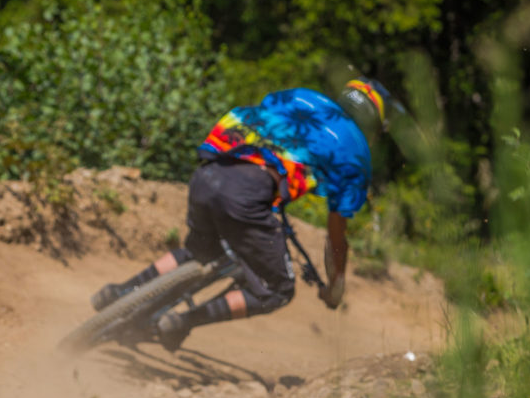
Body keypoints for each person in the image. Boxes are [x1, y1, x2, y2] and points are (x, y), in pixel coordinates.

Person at [90, 78, 401, 351]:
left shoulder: (303, 96)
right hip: (248, 193)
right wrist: (335, 287)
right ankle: (182, 322)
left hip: (209, 170)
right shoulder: (356, 150)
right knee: (276, 290)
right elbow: (336, 236)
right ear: (374, 124)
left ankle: (119, 292)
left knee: (198, 252)